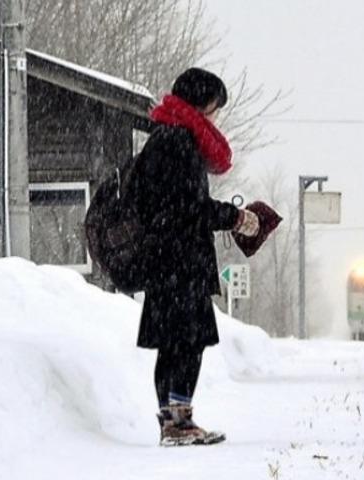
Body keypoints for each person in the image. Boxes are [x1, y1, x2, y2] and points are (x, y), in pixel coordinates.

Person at [132, 68, 259, 446]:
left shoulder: (163, 138)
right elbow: (191, 208)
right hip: (180, 262)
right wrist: (235, 217)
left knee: (174, 343)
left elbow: (173, 205)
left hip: (165, 262)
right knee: (186, 342)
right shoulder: (179, 142)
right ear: (201, 103)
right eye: (214, 108)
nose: (215, 117)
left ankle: (174, 422)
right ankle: (179, 423)